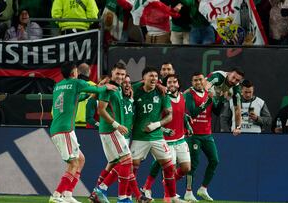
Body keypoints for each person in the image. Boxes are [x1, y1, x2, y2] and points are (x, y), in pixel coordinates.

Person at [49, 62, 116, 203]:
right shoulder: (76, 82)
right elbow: (98, 90)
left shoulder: (58, 85)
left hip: (60, 127)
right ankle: (56, 196)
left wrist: (89, 94)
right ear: (74, 73)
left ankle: (67, 195)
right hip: (64, 129)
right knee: (73, 163)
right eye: (75, 71)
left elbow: (75, 99)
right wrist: (106, 86)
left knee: (80, 159)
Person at [130, 66, 187, 203]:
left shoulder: (161, 93)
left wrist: (156, 125)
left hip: (157, 137)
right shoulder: (135, 89)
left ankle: (172, 196)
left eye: (156, 76)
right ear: (143, 78)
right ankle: (130, 196)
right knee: (132, 166)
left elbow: (169, 116)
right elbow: (126, 87)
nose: (154, 78)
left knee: (169, 166)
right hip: (139, 136)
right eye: (151, 76)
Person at [92, 62, 142, 203]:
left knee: (119, 163)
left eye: (122, 74)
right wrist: (116, 125)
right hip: (111, 130)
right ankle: (108, 192)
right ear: (112, 73)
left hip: (112, 130)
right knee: (126, 161)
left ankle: (120, 197)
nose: (120, 76)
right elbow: (101, 110)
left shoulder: (118, 88)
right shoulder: (108, 88)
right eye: (117, 73)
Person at [141, 74, 193, 200]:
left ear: (178, 84)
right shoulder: (163, 98)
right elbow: (154, 120)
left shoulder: (182, 97)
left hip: (180, 139)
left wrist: (188, 126)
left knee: (186, 168)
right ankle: (167, 196)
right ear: (166, 85)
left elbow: (182, 115)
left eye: (175, 82)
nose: (172, 84)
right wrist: (165, 129)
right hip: (165, 141)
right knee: (169, 169)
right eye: (169, 82)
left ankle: (164, 184)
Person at [183, 72, 223, 202]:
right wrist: (207, 101)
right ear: (192, 82)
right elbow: (192, 113)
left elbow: (217, 112)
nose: (198, 82)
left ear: (204, 81)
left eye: (200, 80)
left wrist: (220, 99)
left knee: (214, 160)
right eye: (195, 80)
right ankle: (188, 192)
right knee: (193, 164)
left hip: (207, 134)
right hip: (193, 135)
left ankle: (203, 188)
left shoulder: (208, 94)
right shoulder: (189, 94)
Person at [205, 68, 245, 136]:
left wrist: (238, 127)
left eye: (237, 80)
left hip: (219, 99)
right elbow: (204, 88)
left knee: (218, 110)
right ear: (229, 73)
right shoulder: (218, 76)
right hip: (206, 94)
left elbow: (237, 109)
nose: (233, 81)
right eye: (233, 77)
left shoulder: (236, 89)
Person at [75, 63, 96, 128]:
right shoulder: (95, 87)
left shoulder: (71, 86)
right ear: (89, 72)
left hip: (71, 124)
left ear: (77, 72)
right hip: (89, 124)